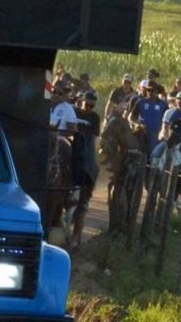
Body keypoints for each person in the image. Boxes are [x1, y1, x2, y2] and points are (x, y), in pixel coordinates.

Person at [70, 91, 101, 247]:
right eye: (87, 104)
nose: (89, 108)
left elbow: (94, 139)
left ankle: (85, 197)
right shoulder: (73, 111)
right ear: (81, 101)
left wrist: (91, 155)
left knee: (93, 169)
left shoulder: (94, 118)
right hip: (70, 142)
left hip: (85, 147)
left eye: (92, 106)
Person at [150, 92, 181, 178]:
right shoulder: (169, 112)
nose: (179, 101)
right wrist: (163, 134)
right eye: (178, 99)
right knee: (154, 154)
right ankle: (152, 177)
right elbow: (164, 127)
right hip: (169, 141)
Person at [129, 82, 166, 153]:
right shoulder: (141, 102)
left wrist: (163, 131)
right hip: (141, 131)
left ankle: (152, 161)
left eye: (152, 90)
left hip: (155, 133)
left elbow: (167, 120)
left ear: (156, 91)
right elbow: (131, 117)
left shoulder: (163, 104)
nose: (150, 92)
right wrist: (137, 124)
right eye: (148, 90)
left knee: (153, 150)